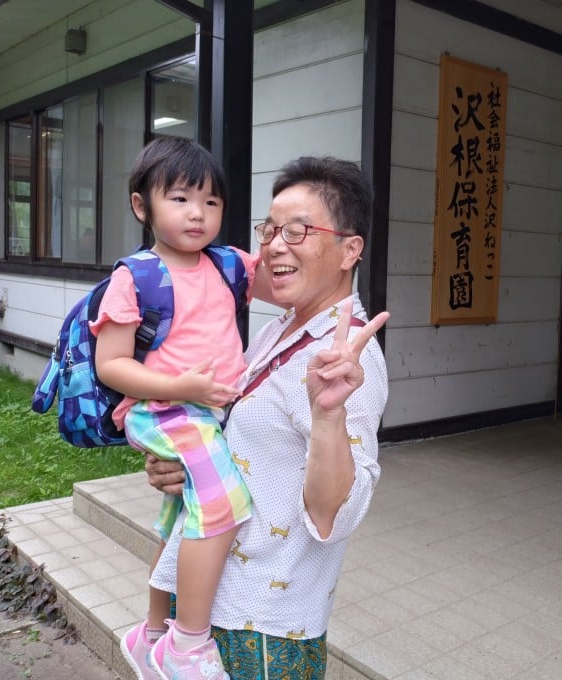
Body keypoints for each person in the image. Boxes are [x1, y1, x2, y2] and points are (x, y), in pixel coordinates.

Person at [145, 156, 389, 680]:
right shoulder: (280, 329)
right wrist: (179, 465)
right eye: (270, 229)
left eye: (297, 231)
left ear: (351, 249)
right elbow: (244, 445)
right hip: (209, 605)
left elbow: (334, 518)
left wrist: (329, 418)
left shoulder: (351, 361)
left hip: (261, 631)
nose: (275, 245)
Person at [93, 137, 266, 680]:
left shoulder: (228, 265)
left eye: (211, 202)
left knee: (180, 521)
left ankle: (150, 634)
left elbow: (289, 279)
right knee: (224, 506)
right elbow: (112, 365)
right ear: (142, 206)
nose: (198, 213)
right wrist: (183, 387)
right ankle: (187, 647)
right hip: (164, 409)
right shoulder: (136, 278)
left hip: (204, 413)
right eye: (181, 198)